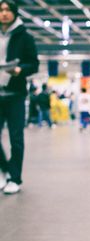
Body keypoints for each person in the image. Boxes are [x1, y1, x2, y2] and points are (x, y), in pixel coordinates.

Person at [0, 0, 39, 194]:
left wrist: (19, 69)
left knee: (16, 138)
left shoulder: (25, 37)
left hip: (15, 93)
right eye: (1, 10)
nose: (4, 13)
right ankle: (4, 170)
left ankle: (15, 178)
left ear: (14, 13)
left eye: (8, 10)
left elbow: (34, 64)